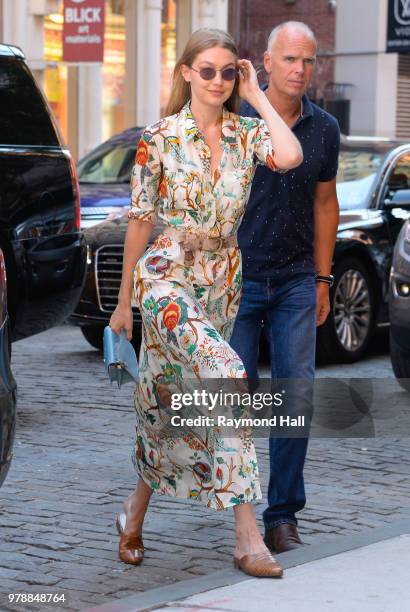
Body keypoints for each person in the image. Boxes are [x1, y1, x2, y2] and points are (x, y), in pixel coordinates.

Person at [109, 28, 303, 578]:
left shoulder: (246, 133)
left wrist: (258, 94)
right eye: (209, 70)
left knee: (172, 402)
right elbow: (141, 221)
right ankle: (247, 538)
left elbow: (290, 154)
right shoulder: (159, 137)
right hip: (167, 273)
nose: (218, 80)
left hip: (223, 277)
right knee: (226, 375)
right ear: (186, 73)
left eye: (227, 72)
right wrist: (124, 303)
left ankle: (134, 512)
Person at [230, 21, 340, 553]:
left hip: (297, 278)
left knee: (297, 393)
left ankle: (282, 517)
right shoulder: (235, 119)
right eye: (290, 59)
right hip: (238, 279)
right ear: (266, 62)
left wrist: (323, 279)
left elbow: (325, 204)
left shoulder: (325, 129)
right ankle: (241, 512)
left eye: (309, 61)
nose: (300, 70)